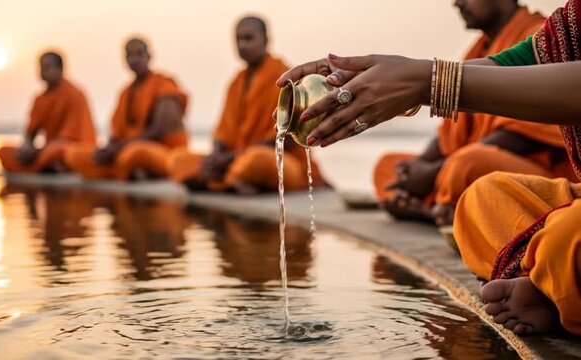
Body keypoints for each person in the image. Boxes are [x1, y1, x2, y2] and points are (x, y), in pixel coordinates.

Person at [276, 0, 581, 336]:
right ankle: (553, 281)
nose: (457, 2)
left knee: (554, 229)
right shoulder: (556, 30)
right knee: (480, 201)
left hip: (518, 166)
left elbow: (516, 132)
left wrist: (425, 83)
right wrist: (388, 83)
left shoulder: (528, 27)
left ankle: (553, 281)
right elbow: (491, 77)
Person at [373, 0, 574, 226]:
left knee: (467, 165)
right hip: (467, 165)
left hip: (534, 171)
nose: (457, 3)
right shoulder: (478, 50)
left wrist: (432, 173)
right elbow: (449, 130)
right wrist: (418, 168)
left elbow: (522, 134)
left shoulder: (540, 35)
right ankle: (444, 209)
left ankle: (443, 209)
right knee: (389, 166)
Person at [167, 16, 325, 194]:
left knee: (257, 160)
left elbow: (286, 138)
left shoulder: (285, 78)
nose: (242, 45)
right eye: (238, 40)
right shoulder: (236, 83)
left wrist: (229, 158)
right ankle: (235, 180)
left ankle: (226, 179)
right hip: (233, 160)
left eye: (248, 38)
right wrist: (216, 157)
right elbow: (223, 133)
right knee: (177, 159)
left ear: (266, 40)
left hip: (278, 160)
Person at [65, 37, 188, 181]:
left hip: (160, 152)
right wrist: (108, 150)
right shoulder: (125, 92)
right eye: (129, 55)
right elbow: (116, 134)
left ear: (149, 56)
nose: (134, 60)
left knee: (136, 153)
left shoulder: (164, 85)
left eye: (139, 54)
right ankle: (132, 171)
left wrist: (121, 147)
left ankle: (131, 169)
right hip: (125, 150)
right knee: (74, 155)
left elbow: (160, 130)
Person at [0, 52, 96, 173]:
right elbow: (30, 133)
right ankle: (43, 166)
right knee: (3, 151)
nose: (42, 71)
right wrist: (27, 147)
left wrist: (42, 150)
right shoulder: (39, 99)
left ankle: (42, 166)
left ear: (60, 69)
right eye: (41, 67)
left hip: (72, 148)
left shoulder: (75, 94)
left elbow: (69, 137)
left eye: (47, 67)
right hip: (48, 150)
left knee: (57, 152)